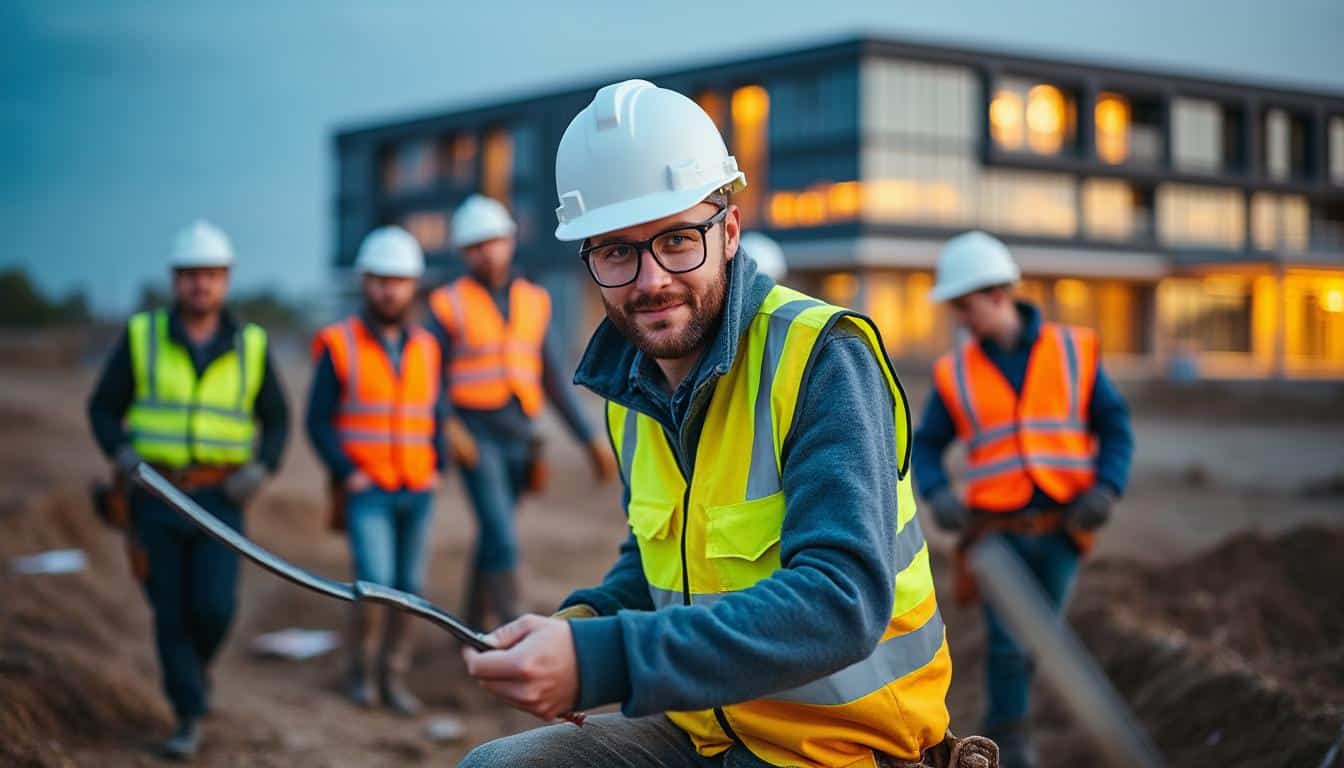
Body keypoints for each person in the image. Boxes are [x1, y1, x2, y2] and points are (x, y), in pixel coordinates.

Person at [458, 79, 952, 768]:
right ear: (590, 263)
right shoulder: (630, 388)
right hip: (702, 735)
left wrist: (608, 660)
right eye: (617, 251)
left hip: (839, 747)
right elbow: (667, 561)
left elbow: (843, 600)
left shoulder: (820, 359)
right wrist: (587, 621)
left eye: (677, 239)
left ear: (729, 233)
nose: (651, 278)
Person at [911, 231, 1134, 768]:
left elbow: (1115, 426)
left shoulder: (1072, 351)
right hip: (995, 535)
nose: (961, 319)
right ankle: (1009, 745)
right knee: (1010, 642)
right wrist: (938, 493)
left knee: (1038, 640)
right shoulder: (956, 371)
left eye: (965, 306)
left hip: (1063, 530)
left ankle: (1007, 732)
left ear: (997, 294)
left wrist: (1107, 488)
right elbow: (927, 444)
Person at [87, 219, 290, 759]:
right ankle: (188, 714)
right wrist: (122, 454)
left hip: (222, 499)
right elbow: (102, 408)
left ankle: (195, 674)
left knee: (215, 608)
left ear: (226, 280)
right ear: (176, 279)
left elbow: (278, 419)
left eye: (211, 274)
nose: (201, 284)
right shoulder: (142, 337)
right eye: (191, 274)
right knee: (171, 613)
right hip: (154, 497)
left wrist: (261, 468)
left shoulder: (251, 345)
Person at [426, 194, 616, 627]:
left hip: (520, 435)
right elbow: (428, 375)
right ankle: (515, 627)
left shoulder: (535, 301)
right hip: (474, 435)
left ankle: (470, 626)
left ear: (510, 241)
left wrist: (589, 440)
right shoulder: (447, 303)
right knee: (503, 537)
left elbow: (552, 378)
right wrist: (447, 424)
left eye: (493, 241)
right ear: (462, 252)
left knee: (495, 535)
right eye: (475, 245)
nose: (486, 251)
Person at [306, 226, 445, 716]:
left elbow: (435, 413)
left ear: (413, 286)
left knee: (411, 585)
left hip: (418, 486)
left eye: (399, 280)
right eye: (381, 280)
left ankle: (394, 677)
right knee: (375, 579)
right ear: (365, 282)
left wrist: (439, 465)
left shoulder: (428, 346)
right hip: (368, 487)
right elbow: (316, 420)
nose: (390, 290)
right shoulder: (338, 343)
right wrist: (346, 471)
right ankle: (360, 674)